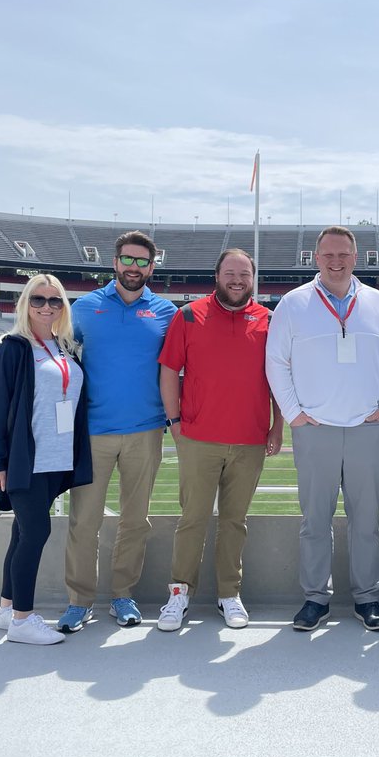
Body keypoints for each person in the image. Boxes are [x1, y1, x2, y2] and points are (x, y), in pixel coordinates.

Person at [265, 226, 379, 632]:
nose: (336, 261)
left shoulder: (376, 301)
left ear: (355, 257)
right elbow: (276, 361)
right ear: (315, 258)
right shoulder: (293, 303)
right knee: (315, 519)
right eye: (328, 255)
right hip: (315, 427)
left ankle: (368, 598)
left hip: (367, 426)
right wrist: (294, 415)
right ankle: (314, 598)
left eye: (343, 254)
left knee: (367, 518)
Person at [155, 249, 284, 632]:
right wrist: (174, 420)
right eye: (230, 273)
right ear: (217, 275)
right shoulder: (189, 315)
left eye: (244, 274)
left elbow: (278, 377)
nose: (237, 280)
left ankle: (229, 593)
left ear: (252, 279)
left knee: (234, 521)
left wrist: (277, 426)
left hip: (249, 439)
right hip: (199, 438)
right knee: (192, 519)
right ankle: (179, 594)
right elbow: (168, 371)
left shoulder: (269, 319)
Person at [57, 230, 177, 632]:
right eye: (128, 259)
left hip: (146, 431)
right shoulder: (85, 308)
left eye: (143, 261)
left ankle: (122, 595)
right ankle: (79, 601)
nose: (134, 267)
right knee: (84, 521)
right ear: (115, 262)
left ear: (152, 267)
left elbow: (177, 370)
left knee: (135, 519)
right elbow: (60, 361)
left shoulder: (166, 311)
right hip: (93, 431)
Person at [0, 273, 91, 645]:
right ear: (26, 304)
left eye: (54, 300)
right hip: (27, 458)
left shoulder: (64, 346)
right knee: (36, 532)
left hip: (56, 458)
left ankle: (7, 609)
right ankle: (23, 620)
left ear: (63, 307)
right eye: (38, 300)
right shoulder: (12, 348)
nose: (46, 306)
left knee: (22, 531)